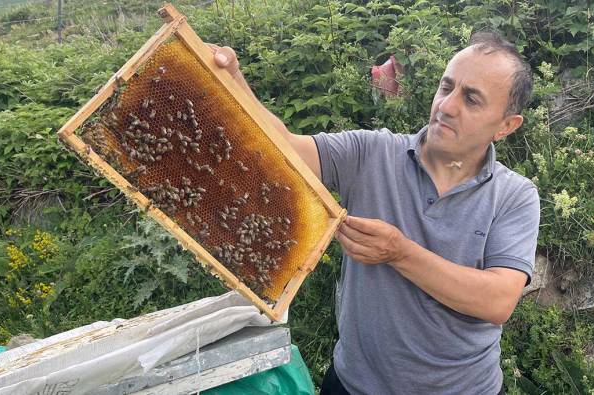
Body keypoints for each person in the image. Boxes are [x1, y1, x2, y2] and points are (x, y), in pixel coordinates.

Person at [209, 31, 539, 395]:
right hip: (353, 385)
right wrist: (231, 79)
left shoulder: (515, 196)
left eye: (472, 99)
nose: (447, 106)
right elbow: (284, 148)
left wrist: (400, 252)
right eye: (446, 88)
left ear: (506, 126)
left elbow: (497, 301)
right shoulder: (371, 153)